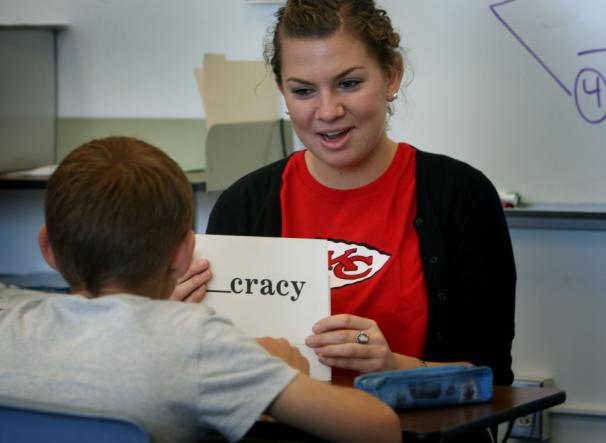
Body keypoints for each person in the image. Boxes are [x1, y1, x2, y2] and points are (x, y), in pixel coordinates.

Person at [174, 0, 516, 386]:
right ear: (282, 92)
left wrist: (393, 367)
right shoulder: (244, 205)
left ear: (392, 76)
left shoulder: (460, 197)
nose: (327, 110)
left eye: (349, 83)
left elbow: (492, 380)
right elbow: (217, 376)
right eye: (303, 91)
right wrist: (176, 324)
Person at [0, 137, 402, 443]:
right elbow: (380, 429)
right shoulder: (196, 340)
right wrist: (286, 376)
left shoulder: (2, 332)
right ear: (185, 252)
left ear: (48, 249)